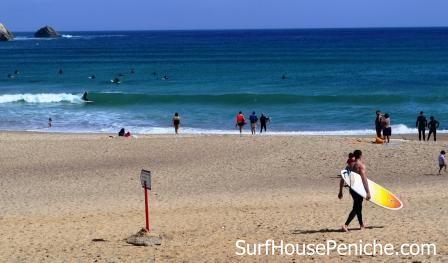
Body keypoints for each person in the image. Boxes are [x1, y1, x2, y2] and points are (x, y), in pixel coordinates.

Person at [338, 150, 370, 232]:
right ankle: (346, 225)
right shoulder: (360, 166)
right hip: (359, 190)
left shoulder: (349, 165)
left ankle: (361, 225)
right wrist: (368, 192)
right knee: (356, 207)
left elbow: (343, 178)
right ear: (360, 155)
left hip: (352, 189)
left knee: (358, 206)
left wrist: (340, 191)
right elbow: (364, 180)